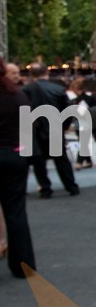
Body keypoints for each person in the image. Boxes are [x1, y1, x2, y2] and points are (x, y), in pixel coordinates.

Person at [0, 58, 36, 278]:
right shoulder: (18, 94)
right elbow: (27, 128)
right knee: (16, 212)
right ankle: (23, 265)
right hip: (14, 156)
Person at [23, 62, 80, 198]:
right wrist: (64, 127)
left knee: (39, 161)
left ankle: (45, 189)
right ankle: (71, 187)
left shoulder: (26, 90)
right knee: (61, 159)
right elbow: (68, 111)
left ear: (32, 75)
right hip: (54, 128)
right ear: (47, 73)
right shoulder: (58, 89)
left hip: (35, 130)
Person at [68, 77, 96, 170]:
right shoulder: (78, 99)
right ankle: (88, 160)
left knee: (83, 142)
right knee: (84, 141)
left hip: (85, 122)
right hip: (82, 123)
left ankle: (79, 161)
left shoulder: (81, 99)